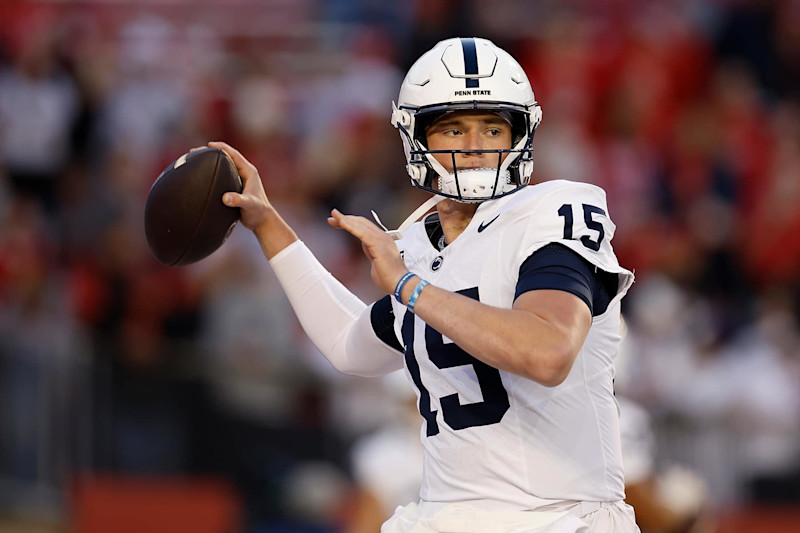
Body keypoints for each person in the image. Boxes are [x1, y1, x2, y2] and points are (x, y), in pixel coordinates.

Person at [204, 37, 638, 533]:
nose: (474, 145)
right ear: (417, 137)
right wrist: (268, 225)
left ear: (519, 135)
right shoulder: (418, 245)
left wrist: (409, 287)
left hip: (560, 519)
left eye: (492, 127)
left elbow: (549, 351)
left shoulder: (550, 212)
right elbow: (351, 348)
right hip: (445, 515)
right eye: (453, 127)